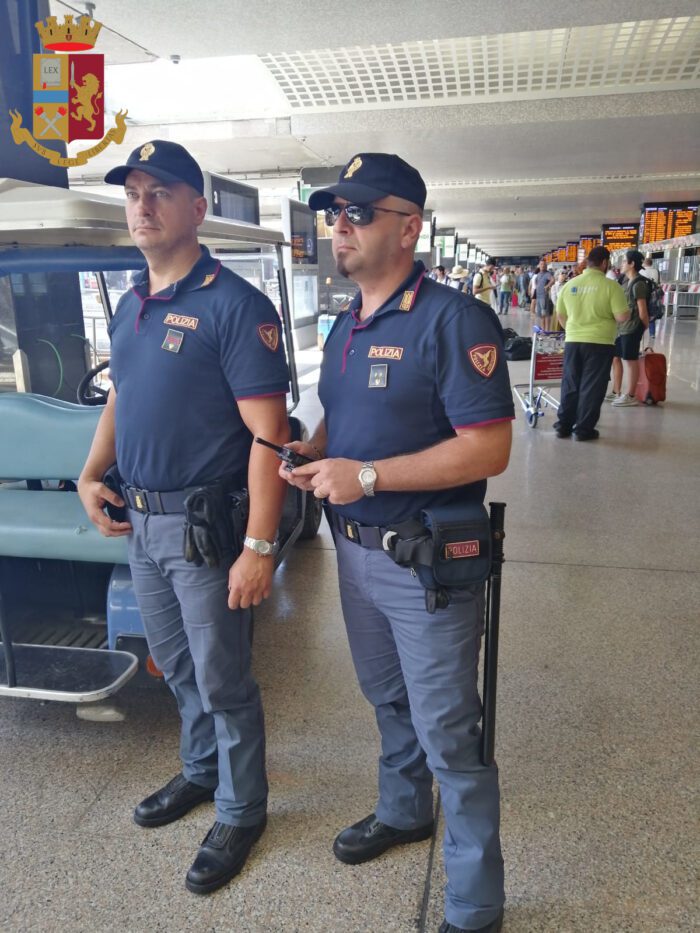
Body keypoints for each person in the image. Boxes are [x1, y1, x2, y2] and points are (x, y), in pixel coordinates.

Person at [281, 152, 513, 933]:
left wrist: (370, 476)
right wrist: (314, 449)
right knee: (386, 699)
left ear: (408, 226)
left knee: (450, 726)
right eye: (333, 214)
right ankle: (403, 809)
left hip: (425, 568)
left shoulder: (454, 321)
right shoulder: (347, 323)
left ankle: (475, 904)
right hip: (354, 556)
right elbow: (343, 422)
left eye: (357, 213)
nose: (338, 227)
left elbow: (488, 447)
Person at [78, 140, 291, 894]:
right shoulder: (132, 307)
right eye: (133, 192)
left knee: (224, 675)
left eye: (159, 191)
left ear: (197, 209)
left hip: (207, 532)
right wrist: (91, 470)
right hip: (142, 524)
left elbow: (271, 436)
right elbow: (121, 396)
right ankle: (202, 771)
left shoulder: (235, 308)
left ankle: (242, 806)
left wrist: (260, 545)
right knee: (174, 666)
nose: (142, 205)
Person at [553, 245, 629, 440]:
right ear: (604, 263)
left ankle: (563, 426)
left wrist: (573, 327)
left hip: (573, 340)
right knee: (592, 386)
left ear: (587, 263)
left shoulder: (569, 285)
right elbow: (622, 316)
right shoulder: (611, 286)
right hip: (600, 342)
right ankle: (583, 430)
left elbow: (561, 316)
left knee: (571, 382)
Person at [609, 249, 650, 407]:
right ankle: (617, 391)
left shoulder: (638, 283)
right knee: (616, 357)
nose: (622, 264)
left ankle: (631, 394)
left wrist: (641, 328)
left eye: (624, 261)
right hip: (622, 328)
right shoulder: (626, 280)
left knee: (631, 360)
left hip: (632, 328)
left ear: (632, 264)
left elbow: (642, 311)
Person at [640, 257, 661, 339]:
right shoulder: (656, 271)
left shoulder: (642, 271)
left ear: (644, 263)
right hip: (654, 295)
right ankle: (652, 334)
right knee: (652, 313)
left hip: (644, 294)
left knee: (642, 312)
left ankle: (641, 332)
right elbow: (659, 282)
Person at [532, 260, 554, 330]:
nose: (543, 266)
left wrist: (547, 286)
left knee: (546, 314)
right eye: (541, 264)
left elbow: (553, 280)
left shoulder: (547, 274)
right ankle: (543, 330)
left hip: (544, 297)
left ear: (546, 266)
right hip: (538, 296)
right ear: (539, 265)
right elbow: (536, 283)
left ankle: (547, 330)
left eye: (544, 264)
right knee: (541, 315)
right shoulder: (538, 274)